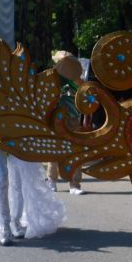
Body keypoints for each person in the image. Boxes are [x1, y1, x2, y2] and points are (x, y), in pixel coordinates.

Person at [46, 53, 86, 195]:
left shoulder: (79, 81)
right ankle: (51, 180)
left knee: (76, 152)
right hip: (57, 118)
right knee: (55, 151)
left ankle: (74, 184)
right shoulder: (53, 80)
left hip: (74, 119)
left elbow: (86, 99)